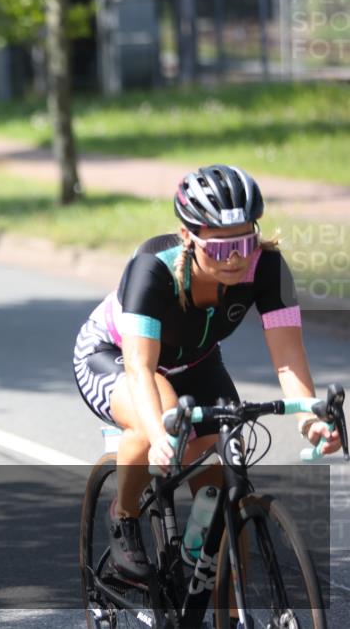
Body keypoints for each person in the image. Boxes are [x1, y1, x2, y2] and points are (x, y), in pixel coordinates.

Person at [72, 164, 343, 582]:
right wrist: (160, 436)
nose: (234, 258)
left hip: (198, 364)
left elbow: (288, 357)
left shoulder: (268, 267)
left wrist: (308, 418)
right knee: (153, 424)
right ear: (187, 238)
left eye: (245, 243)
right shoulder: (153, 269)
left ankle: (217, 595)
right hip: (114, 355)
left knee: (225, 485)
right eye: (218, 248)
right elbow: (141, 367)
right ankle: (122, 516)